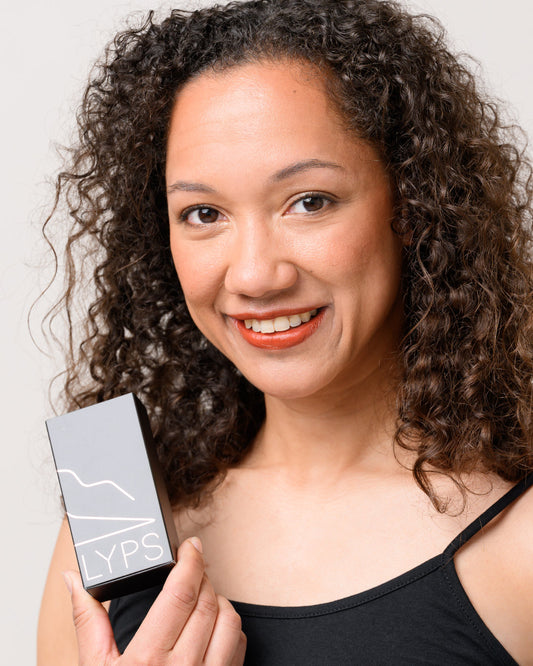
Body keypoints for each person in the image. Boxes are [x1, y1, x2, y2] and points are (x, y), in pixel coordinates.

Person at [37, 0, 533, 664]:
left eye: (309, 202)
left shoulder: (520, 542)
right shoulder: (114, 511)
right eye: (203, 213)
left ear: (413, 204)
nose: (254, 275)